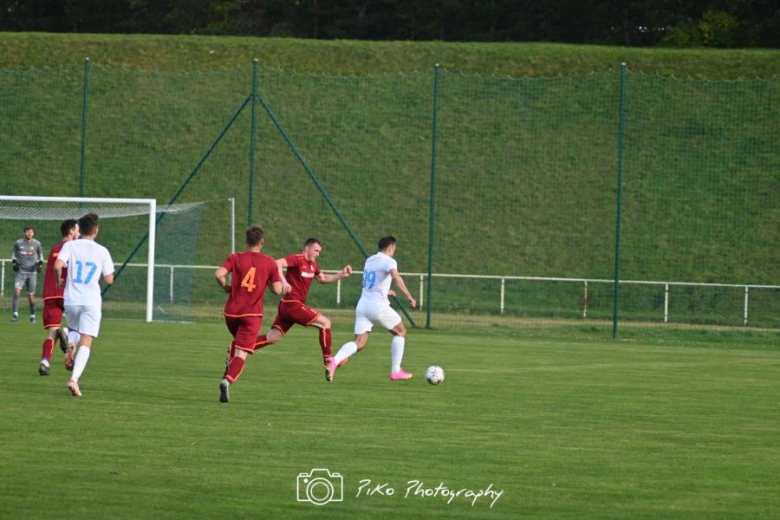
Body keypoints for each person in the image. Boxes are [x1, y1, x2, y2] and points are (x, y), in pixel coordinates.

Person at [253, 238, 352, 381]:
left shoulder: (313, 265)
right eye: (316, 250)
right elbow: (277, 263)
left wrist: (341, 275)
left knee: (272, 338)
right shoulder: (297, 259)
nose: (318, 254)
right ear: (307, 249)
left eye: (319, 252)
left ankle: (239, 346)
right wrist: (284, 281)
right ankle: (328, 361)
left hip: (288, 306)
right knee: (325, 323)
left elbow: (323, 278)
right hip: (292, 304)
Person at [328, 236, 416, 382]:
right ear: (390, 248)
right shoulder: (389, 261)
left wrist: (386, 292)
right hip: (377, 306)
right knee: (401, 331)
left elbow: (366, 283)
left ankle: (335, 360)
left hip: (363, 305)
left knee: (360, 343)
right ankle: (396, 371)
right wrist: (409, 295)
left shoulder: (370, 260)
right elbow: (396, 277)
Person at [216, 225, 283, 403]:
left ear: (246, 241)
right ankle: (227, 381)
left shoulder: (235, 257)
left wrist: (226, 287)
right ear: (262, 242)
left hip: (231, 313)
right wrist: (269, 280)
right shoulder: (269, 262)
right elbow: (277, 290)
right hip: (251, 315)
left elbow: (219, 274)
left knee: (238, 344)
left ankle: (230, 365)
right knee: (242, 353)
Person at [54, 213, 115, 398]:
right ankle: (74, 380)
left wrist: (59, 281)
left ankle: (69, 342)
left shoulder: (70, 246)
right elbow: (109, 279)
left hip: (72, 299)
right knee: (86, 340)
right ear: (95, 231)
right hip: (91, 300)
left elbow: (58, 265)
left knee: (73, 329)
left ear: (79, 230)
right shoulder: (102, 251)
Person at [37, 219, 79, 376]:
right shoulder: (73, 248)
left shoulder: (54, 249)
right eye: (77, 230)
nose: (79, 233)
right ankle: (67, 333)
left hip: (49, 295)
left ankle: (45, 361)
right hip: (66, 294)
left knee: (52, 332)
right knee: (78, 327)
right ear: (71, 232)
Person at [11, 226, 44, 323]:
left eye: (31, 232)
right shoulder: (18, 243)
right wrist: (14, 262)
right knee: (17, 291)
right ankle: (15, 314)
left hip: (32, 273)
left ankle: (33, 315)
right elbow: (13, 254)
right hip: (21, 272)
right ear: (24, 233)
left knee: (31, 295)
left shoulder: (37, 243)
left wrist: (40, 264)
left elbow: (41, 255)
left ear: (33, 233)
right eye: (27, 232)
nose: (29, 233)